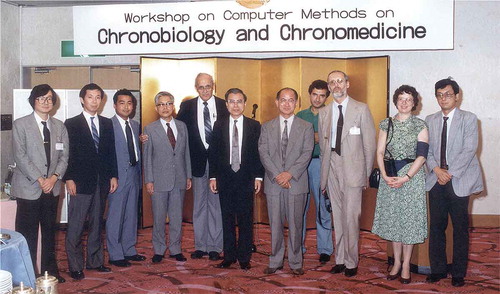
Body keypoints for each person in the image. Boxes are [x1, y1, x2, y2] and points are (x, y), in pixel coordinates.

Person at [425, 78, 483, 287]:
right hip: (435, 179)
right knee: (436, 227)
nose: (443, 98)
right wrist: (436, 170)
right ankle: (438, 269)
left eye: (448, 94)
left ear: (457, 96)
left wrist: (448, 173)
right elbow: (427, 150)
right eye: (440, 95)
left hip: (459, 179)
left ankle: (459, 273)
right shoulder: (430, 119)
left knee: (460, 228)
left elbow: (469, 149)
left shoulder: (469, 118)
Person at [318, 70, 376, 277]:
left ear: (347, 84)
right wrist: (323, 178)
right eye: (332, 82)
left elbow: (369, 145)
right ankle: (340, 259)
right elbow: (324, 148)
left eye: (340, 81)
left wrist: (365, 175)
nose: (336, 86)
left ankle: (352, 261)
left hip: (353, 170)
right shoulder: (324, 112)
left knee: (351, 218)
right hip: (331, 167)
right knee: (338, 218)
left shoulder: (361, 109)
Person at [371, 85, 429, 284]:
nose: (404, 102)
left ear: (414, 103)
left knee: (409, 223)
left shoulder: (420, 125)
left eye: (409, 99)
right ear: (395, 101)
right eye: (401, 99)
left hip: (411, 179)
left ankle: (406, 265)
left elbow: (422, 156)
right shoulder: (386, 124)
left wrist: (406, 177)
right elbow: (379, 152)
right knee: (394, 222)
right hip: (390, 177)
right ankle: (396, 262)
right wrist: (385, 176)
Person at [12, 84, 69, 283]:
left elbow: (64, 157)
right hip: (29, 188)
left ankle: (49, 272)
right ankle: (27, 274)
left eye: (50, 99)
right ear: (33, 101)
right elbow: (20, 156)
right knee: (27, 235)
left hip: (51, 188)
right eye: (41, 98)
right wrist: (40, 179)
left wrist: (53, 178)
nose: (46, 102)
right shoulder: (20, 124)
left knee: (49, 233)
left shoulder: (59, 126)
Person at [64, 83, 118, 280]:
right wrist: (68, 178)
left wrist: (113, 175)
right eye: (90, 97)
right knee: (76, 226)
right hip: (79, 182)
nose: (94, 101)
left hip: (101, 181)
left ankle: (95, 262)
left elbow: (110, 152)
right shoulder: (71, 124)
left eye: (98, 97)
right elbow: (66, 155)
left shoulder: (106, 123)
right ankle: (75, 265)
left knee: (97, 223)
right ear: (82, 100)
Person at [258, 87, 314, 275]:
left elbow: (306, 153)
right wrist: (278, 175)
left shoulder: (306, 127)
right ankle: (275, 260)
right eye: (283, 100)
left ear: (296, 103)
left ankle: (296, 262)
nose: (287, 104)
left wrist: (289, 174)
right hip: (274, 183)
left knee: (297, 224)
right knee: (275, 224)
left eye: (291, 100)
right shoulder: (266, 126)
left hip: (296, 183)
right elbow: (263, 153)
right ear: (277, 102)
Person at [208, 88, 264, 270]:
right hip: (225, 178)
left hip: (246, 178)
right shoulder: (219, 125)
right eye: (231, 101)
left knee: (246, 219)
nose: (235, 105)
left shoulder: (254, 126)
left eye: (239, 101)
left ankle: (244, 257)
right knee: (227, 219)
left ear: (245, 104)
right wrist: (213, 177)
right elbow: (214, 153)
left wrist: (258, 177)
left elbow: (258, 154)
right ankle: (229, 256)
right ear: (226, 104)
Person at [176, 73, 229, 261]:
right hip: (196, 162)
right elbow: (176, 129)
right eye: (201, 87)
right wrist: (148, 137)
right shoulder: (187, 106)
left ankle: (215, 245)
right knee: (199, 205)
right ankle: (201, 246)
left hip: (219, 164)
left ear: (214, 86)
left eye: (208, 86)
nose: (205, 90)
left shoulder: (225, 105)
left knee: (216, 205)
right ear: (195, 88)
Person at [143, 91, 192, 263]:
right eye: (161, 104)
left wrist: (188, 176)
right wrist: (148, 180)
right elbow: (147, 157)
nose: (165, 107)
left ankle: (176, 249)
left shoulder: (182, 126)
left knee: (177, 217)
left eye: (168, 103)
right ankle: (158, 249)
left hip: (179, 178)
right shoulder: (149, 129)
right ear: (156, 108)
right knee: (158, 217)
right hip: (158, 181)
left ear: (173, 106)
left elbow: (186, 153)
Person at [106, 89, 146, 267]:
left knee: (131, 214)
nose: (126, 106)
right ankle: (115, 254)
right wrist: (111, 175)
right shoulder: (107, 125)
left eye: (129, 103)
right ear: (115, 105)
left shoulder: (137, 125)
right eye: (122, 102)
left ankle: (129, 249)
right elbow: (105, 154)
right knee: (116, 215)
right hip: (118, 177)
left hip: (134, 173)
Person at [297, 80, 333, 264]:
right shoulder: (300, 115)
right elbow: (295, 140)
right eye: (314, 94)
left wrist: (315, 138)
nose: (317, 98)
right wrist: (314, 137)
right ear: (309, 94)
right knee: (299, 207)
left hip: (321, 164)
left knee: (323, 207)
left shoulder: (332, 114)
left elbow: (333, 140)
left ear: (327, 97)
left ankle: (325, 248)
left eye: (322, 95)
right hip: (301, 165)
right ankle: (298, 247)